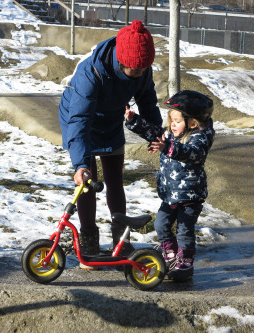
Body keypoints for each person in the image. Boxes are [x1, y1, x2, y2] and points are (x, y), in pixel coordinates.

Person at [58, 20, 162, 269]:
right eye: (134, 70)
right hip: (80, 120)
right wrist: (80, 164)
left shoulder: (142, 69)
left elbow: (147, 101)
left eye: (143, 69)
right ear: (121, 61)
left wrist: (156, 134)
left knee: (115, 178)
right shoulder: (90, 73)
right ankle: (89, 240)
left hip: (111, 121)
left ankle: (121, 239)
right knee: (88, 181)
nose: (139, 74)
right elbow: (79, 119)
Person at [125, 90, 215, 282]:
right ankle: (170, 256)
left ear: (192, 123)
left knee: (184, 230)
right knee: (161, 224)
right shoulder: (172, 133)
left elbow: (193, 153)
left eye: (177, 121)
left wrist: (167, 148)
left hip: (190, 196)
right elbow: (155, 133)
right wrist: (135, 121)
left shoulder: (199, 137)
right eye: (171, 121)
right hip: (171, 193)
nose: (172, 125)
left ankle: (185, 264)